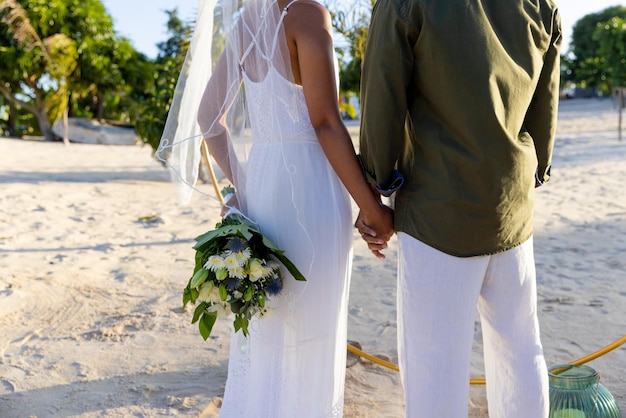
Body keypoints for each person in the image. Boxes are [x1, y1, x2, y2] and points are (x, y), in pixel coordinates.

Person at [157, 0, 393, 416]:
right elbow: (324, 122)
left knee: (267, 323)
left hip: (263, 189)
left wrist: (243, 185)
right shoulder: (309, 14)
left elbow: (209, 118)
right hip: (311, 187)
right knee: (314, 327)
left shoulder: (248, 21)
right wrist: (370, 206)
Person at [356, 0, 562, 417]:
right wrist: (534, 171)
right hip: (512, 207)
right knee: (520, 351)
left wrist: (375, 186)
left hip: (438, 208)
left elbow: (383, 97)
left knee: (434, 365)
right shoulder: (542, 5)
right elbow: (546, 105)